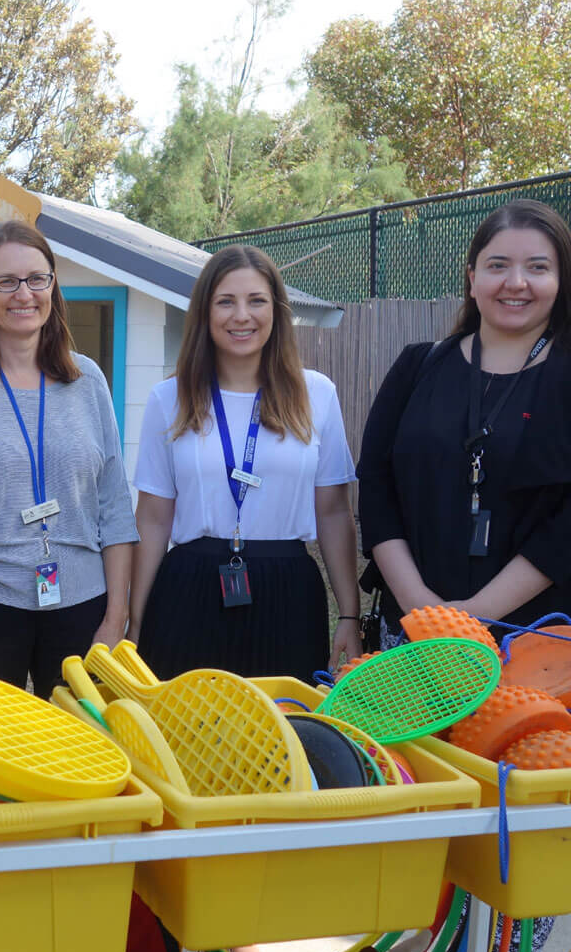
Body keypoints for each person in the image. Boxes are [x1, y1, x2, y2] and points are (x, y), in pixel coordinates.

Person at [0, 219, 137, 698]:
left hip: (81, 604)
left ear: (53, 286)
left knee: (77, 757)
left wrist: (116, 619)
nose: (23, 294)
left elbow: (115, 509)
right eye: (6, 281)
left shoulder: (88, 381)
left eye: (37, 278)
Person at [129, 244, 361, 683]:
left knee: (282, 734)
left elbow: (332, 512)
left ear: (276, 310)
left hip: (288, 590)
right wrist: (135, 620)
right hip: (189, 587)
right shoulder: (169, 399)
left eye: (256, 301)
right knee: (186, 736)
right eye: (226, 302)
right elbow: (154, 519)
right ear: (205, 312)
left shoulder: (317, 395)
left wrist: (349, 615)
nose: (242, 316)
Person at [358, 199, 571, 644]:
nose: (516, 283)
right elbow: (377, 489)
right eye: (498, 266)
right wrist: (420, 606)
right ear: (473, 279)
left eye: (537, 267)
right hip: (412, 635)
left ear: (560, 281)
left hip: (533, 639)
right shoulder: (417, 367)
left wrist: (476, 613)